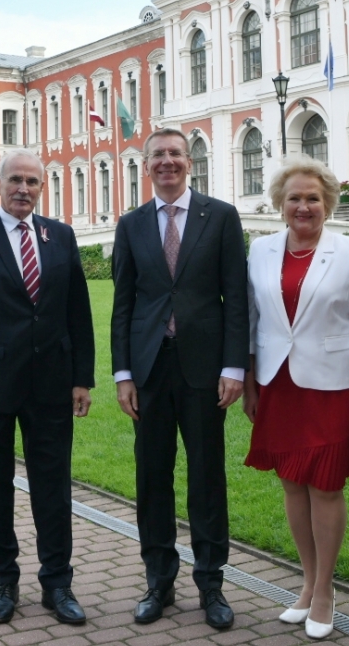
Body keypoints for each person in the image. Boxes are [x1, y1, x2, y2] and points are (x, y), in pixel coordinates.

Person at [0, 149, 96, 627]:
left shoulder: (60, 236)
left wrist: (82, 378)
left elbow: (78, 313)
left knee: (53, 488)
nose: (24, 189)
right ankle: (3, 583)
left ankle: (57, 584)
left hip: (51, 385)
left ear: (42, 186)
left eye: (32, 181)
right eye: (16, 181)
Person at [110, 127, 249, 630]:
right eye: (157, 156)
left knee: (207, 478)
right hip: (148, 369)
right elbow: (123, 304)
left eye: (174, 154)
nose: (166, 162)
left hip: (204, 369)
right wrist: (123, 373)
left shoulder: (221, 217)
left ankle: (211, 584)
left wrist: (235, 366)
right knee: (152, 477)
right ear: (145, 165)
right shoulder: (131, 225)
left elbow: (236, 297)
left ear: (189, 162)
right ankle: (159, 582)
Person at [242, 157, 349, 640]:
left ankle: (325, 590)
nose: (303, 206)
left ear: (327, 203)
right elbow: (252, 321)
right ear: (279, 204)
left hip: (334, 386)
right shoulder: (260, 250)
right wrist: (251, 382)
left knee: (326, 486)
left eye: (313, 198)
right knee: (291, 485)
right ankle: (305, 583)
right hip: (278, 385)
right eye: (294, 198)